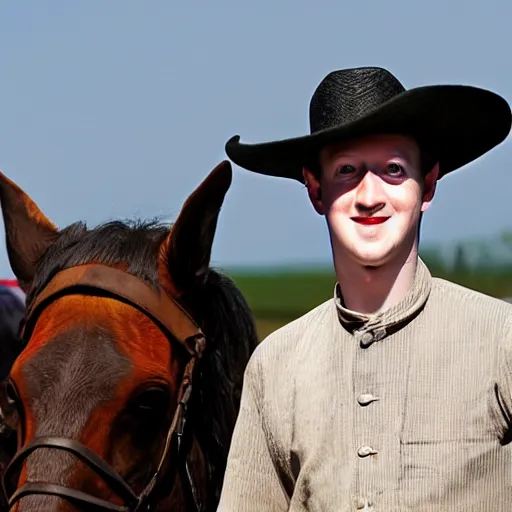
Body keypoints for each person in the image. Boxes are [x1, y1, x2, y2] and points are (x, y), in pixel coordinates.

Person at [216, 67, 512, 511]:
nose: (369, 195)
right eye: (347, 170)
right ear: (316, 190)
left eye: (393, 169)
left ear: (427, 184)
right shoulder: (275, 368)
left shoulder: (501, 340)